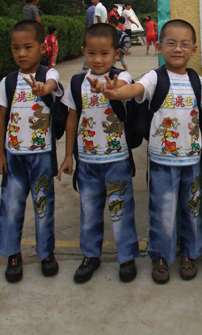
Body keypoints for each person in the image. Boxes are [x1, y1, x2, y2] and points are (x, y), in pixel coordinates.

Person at [103, 19, 202, 284]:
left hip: (192, 160)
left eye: (184, 44)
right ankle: (161, 257)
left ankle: (189, 254)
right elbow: (137, 89)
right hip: (161, 161)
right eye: (171, 43)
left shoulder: (197, 81)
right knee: (162, 211)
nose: (177, 49)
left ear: (194, 49)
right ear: (159, 46)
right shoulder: (156, 77)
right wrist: (117, 92)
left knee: (192, 209)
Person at [57, 23, 139, 284]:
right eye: (91, 53)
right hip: (88, 162)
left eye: (104, 53)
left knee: (121, 209)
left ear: (116, 53)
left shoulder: (121, 78)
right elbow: (72, 119)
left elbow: (124, 88)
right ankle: (90, 255)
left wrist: (109, 89)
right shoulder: (78, 82)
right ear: (84, 52)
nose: (97, 59)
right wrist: (69, 155)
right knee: (89, 209)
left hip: (117, 160)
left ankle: (126, 257)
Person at [0, 20, 63, 282]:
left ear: (42, 48)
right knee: (11, 206)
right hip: (13, 158)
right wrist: (0, 153)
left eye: (28, 47)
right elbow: (1, 118)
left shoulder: (48, 75)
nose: (21, 53)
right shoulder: (8, 82)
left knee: (43, 206)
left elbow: (54, 83)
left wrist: (44, 88)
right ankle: (13, 254)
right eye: (15, 48)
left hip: (42, 157)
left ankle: (46, 253)